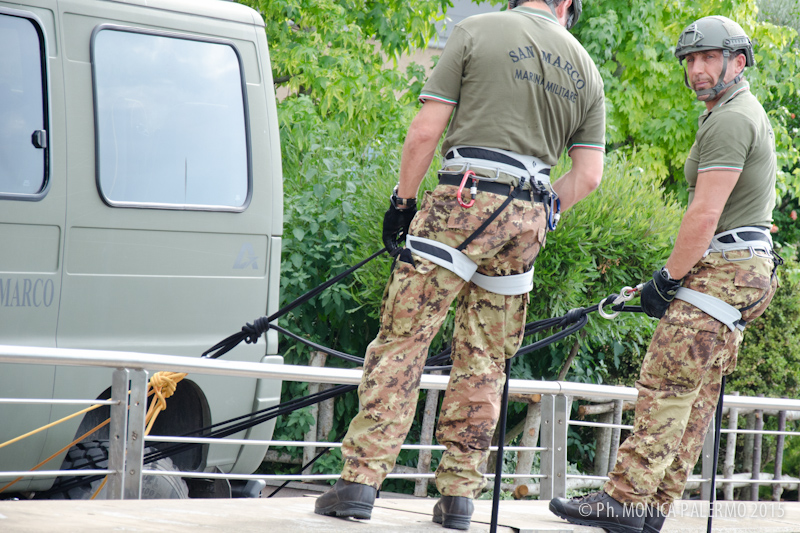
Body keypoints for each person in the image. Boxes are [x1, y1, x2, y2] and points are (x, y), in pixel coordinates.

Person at [314, 0, 605, 530]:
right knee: (486, 359)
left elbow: (426, 131)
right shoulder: (586, 67)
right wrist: (537, 212)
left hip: (463, 200)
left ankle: (359, 483)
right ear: (566, 5)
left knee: (405, 340)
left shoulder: (475, 30)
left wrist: (403, 204)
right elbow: (587, 176)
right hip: (528, 217)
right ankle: (459, 498)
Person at [549, 15, 779, 533]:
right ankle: (652, 507)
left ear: (738, 62)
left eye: (708, 58)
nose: (697, 70)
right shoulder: (736, 111)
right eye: (690, 60)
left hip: (725, 267)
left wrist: (667, 279)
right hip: (743, 269)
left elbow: (705, 212)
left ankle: (624, 500)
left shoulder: (730, 119)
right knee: (696, 398)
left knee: (666, 381)